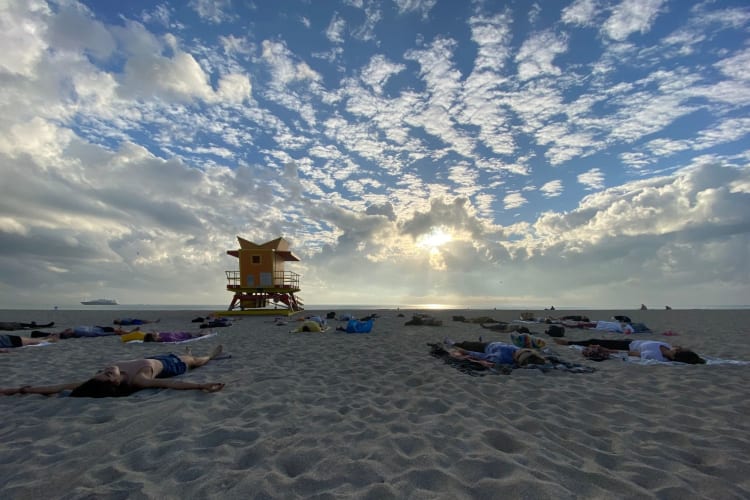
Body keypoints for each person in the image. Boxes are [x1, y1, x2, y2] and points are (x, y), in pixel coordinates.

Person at [1, 345, 226, 397]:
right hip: (173, 365)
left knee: (184, 353)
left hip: (156, 357)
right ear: (116, 383)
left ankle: (195, 353)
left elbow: (56, 387)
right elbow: (171, 384)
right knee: (196, 360)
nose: (109, 369)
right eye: (109, 374)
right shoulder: (140, 379)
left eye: (102, 371)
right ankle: (210, 356)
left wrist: (14, 389)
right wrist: (200, 385)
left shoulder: (96, 381)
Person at [554, 338, 705, 364]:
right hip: (632, 341)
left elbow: (630, 354)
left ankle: (570, 343)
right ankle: (570, 342)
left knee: (596, 341)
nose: (678, 347)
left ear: (675, 354)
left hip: (628, 346)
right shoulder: (666, 346)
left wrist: (607, 350)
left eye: (679, 349)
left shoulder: (655, 356)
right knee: (596, 339)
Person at [446, 340, 546, 367]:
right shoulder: (523, 351)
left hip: (486, 347)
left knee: (467, 344)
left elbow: (482, 356)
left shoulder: (500, 357)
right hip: (495, 343)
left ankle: (453, 343)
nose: (518, 350)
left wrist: (466, 352)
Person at [142, 331, 211, 343]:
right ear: (154, 338)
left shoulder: (160, 335)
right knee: (199, 334)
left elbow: (157, 333)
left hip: (182, 333)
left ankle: (202, 333)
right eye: (155, 335)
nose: (156, 334)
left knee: (198, 333)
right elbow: (179, 340)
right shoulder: (167, 339)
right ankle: (203, 333)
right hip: (185, 335)